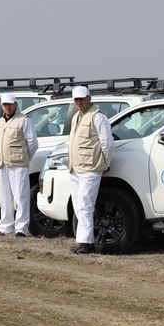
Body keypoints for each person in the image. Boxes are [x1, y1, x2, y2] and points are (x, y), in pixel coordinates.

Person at [68, 86, 113, 254]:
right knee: (78, 205)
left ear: (89, 98)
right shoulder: (76, 117)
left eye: (82, 99)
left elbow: (107, 143)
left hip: (91, 168)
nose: (79, 102)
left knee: (86, 204)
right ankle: (83, 240)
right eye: (76, 100)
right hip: (75, 167)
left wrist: (104, 164)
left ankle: (86, 243)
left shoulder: (98, 117)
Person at [0, 93, 38, 237]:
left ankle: (21, 229)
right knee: (5, 197)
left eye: (10, 104)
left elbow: (33, 144)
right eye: (5, 104)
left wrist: (24, 158)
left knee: (21, 197)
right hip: (2, 164)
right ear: (2, 106)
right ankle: (6, 227)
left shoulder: (24, 120)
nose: (8, 107)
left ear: (15, 105)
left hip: (18, 165)